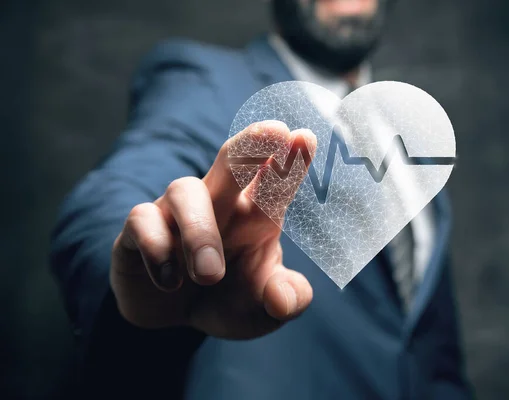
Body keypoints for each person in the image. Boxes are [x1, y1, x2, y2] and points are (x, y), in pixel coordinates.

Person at [50, 0, 472, 399]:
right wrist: (141, 264)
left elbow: (432, 357)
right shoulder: (207, 82)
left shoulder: (406, 139)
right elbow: (118, 189)